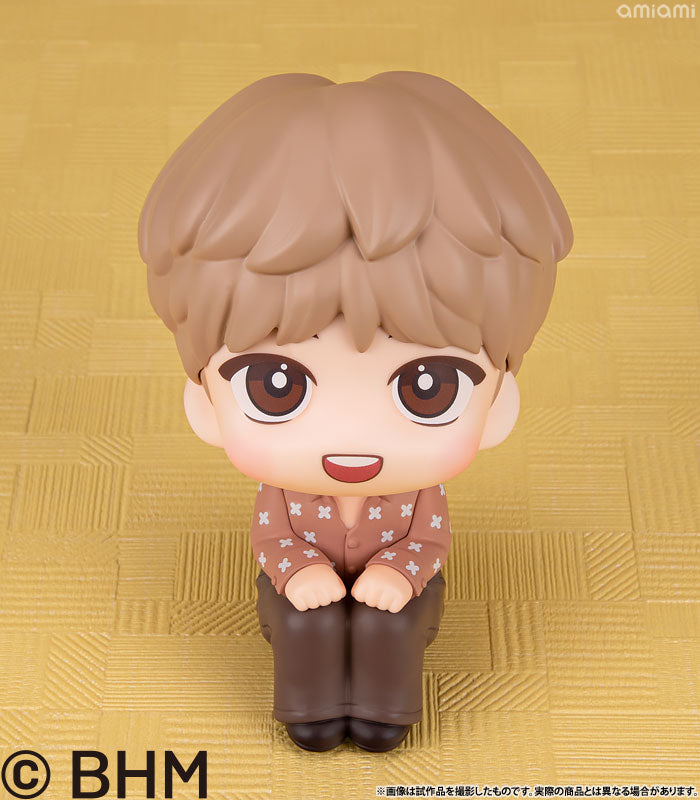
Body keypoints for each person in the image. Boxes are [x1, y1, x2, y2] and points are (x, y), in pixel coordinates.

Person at [138, 71, 573, 752]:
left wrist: (398, 574)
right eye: (275, 386)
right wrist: (298, 572)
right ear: (205, 402)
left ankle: (382, 713)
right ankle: (310, 711)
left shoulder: (417, 496)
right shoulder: (284, 495)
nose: (351, 437)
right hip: (300, 590)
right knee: (303, 622)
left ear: (498, 405)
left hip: (397, 591)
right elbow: (271, 540)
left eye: (428, 388)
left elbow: (428, 542)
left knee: (389, 624)